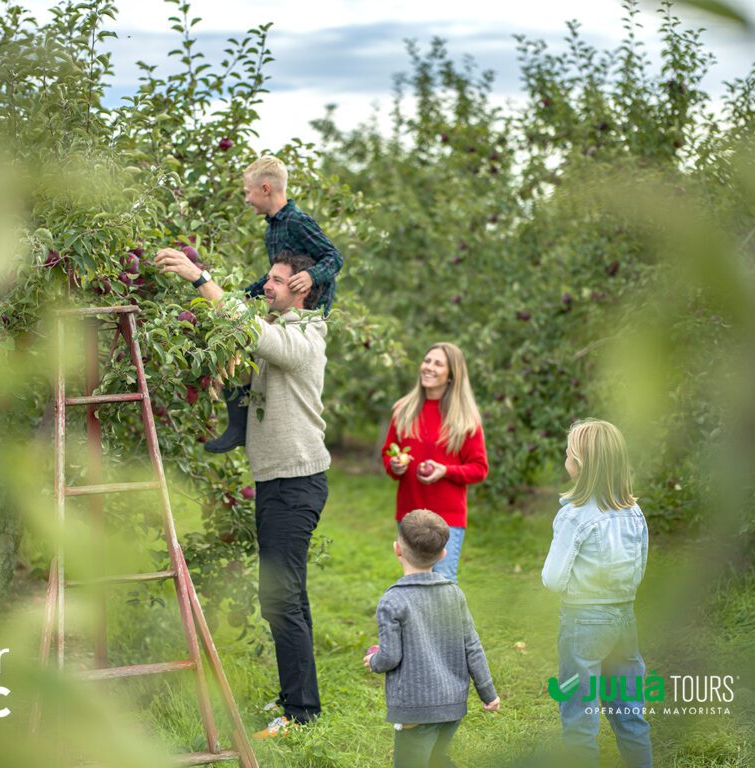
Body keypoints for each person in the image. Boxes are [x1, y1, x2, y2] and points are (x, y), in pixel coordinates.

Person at [155, 246, 330, 738]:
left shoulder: (307, 334)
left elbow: (256, 335)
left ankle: (300, 714)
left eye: (276, 280)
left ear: (301, 287)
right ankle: (301, 704)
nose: (267, 285)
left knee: (279, 598)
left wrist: (199, 279)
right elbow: (244, 336)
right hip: (276, 481)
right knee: (288, 596)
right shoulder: (282, 328)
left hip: (295, 483)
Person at [206, 155, 344, 454]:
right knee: (232, 340)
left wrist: (311, 275)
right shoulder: (272, 229)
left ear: (265, 188)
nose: (246, 199)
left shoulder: (297, 221)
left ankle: (239, 425)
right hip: (283, 307)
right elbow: (275, 276)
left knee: (247, 339)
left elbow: (334, 257)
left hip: (307, 314)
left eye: (247, 192)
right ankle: (238, 424)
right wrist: (244, 295)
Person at [541, 419, 652, 767]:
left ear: (580, 466)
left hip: (583, 624)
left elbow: (553, 579)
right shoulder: (634, 512)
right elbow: (640, 567)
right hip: (624, 619)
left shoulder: (574, 516)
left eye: (568, 453)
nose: (565, 459)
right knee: (630, 712)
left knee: (579, 717)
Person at [364, 509, 500, 768]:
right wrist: (488, 693)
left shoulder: (392, 600)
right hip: (452, 706)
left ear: (397, 549)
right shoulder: (454, 593)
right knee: (438, 760)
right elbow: (472, 646)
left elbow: (391, 656)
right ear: (443, 555)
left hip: (416, 709)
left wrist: (374, 661)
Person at [381, 343, 488, 583]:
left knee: (443, 582)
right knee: (413, 582)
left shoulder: (465, 419)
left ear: (452, 375)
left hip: (447, 519)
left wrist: (445, 470)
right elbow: (388, 453)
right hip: (410, 515)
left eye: (438, 364)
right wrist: (395, 465)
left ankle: (447, 623)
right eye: (427, 361)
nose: (429, 367)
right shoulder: (403, 410)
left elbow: (479, 468)